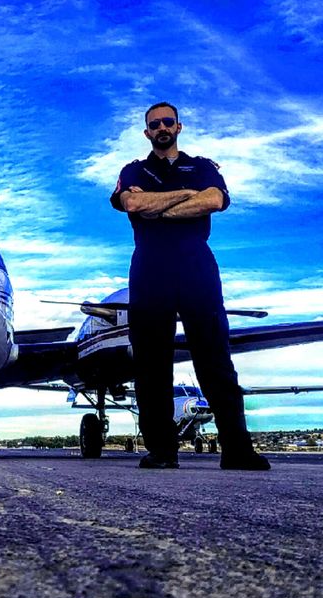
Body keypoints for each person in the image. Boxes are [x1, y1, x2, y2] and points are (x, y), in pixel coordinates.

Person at [110, 101, 270, 471]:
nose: (162, 127)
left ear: (178, 127)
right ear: (147, 132)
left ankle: (237, 449)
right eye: (155, 124)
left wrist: (157, 207)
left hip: (196, 265)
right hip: (150, 266)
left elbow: (214, 200)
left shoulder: (202, 167)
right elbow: (131, 201)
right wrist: (186, 196)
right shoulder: (133, 169)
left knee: (215, 356)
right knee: (151, 362)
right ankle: (163, 451)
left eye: (168, 121)